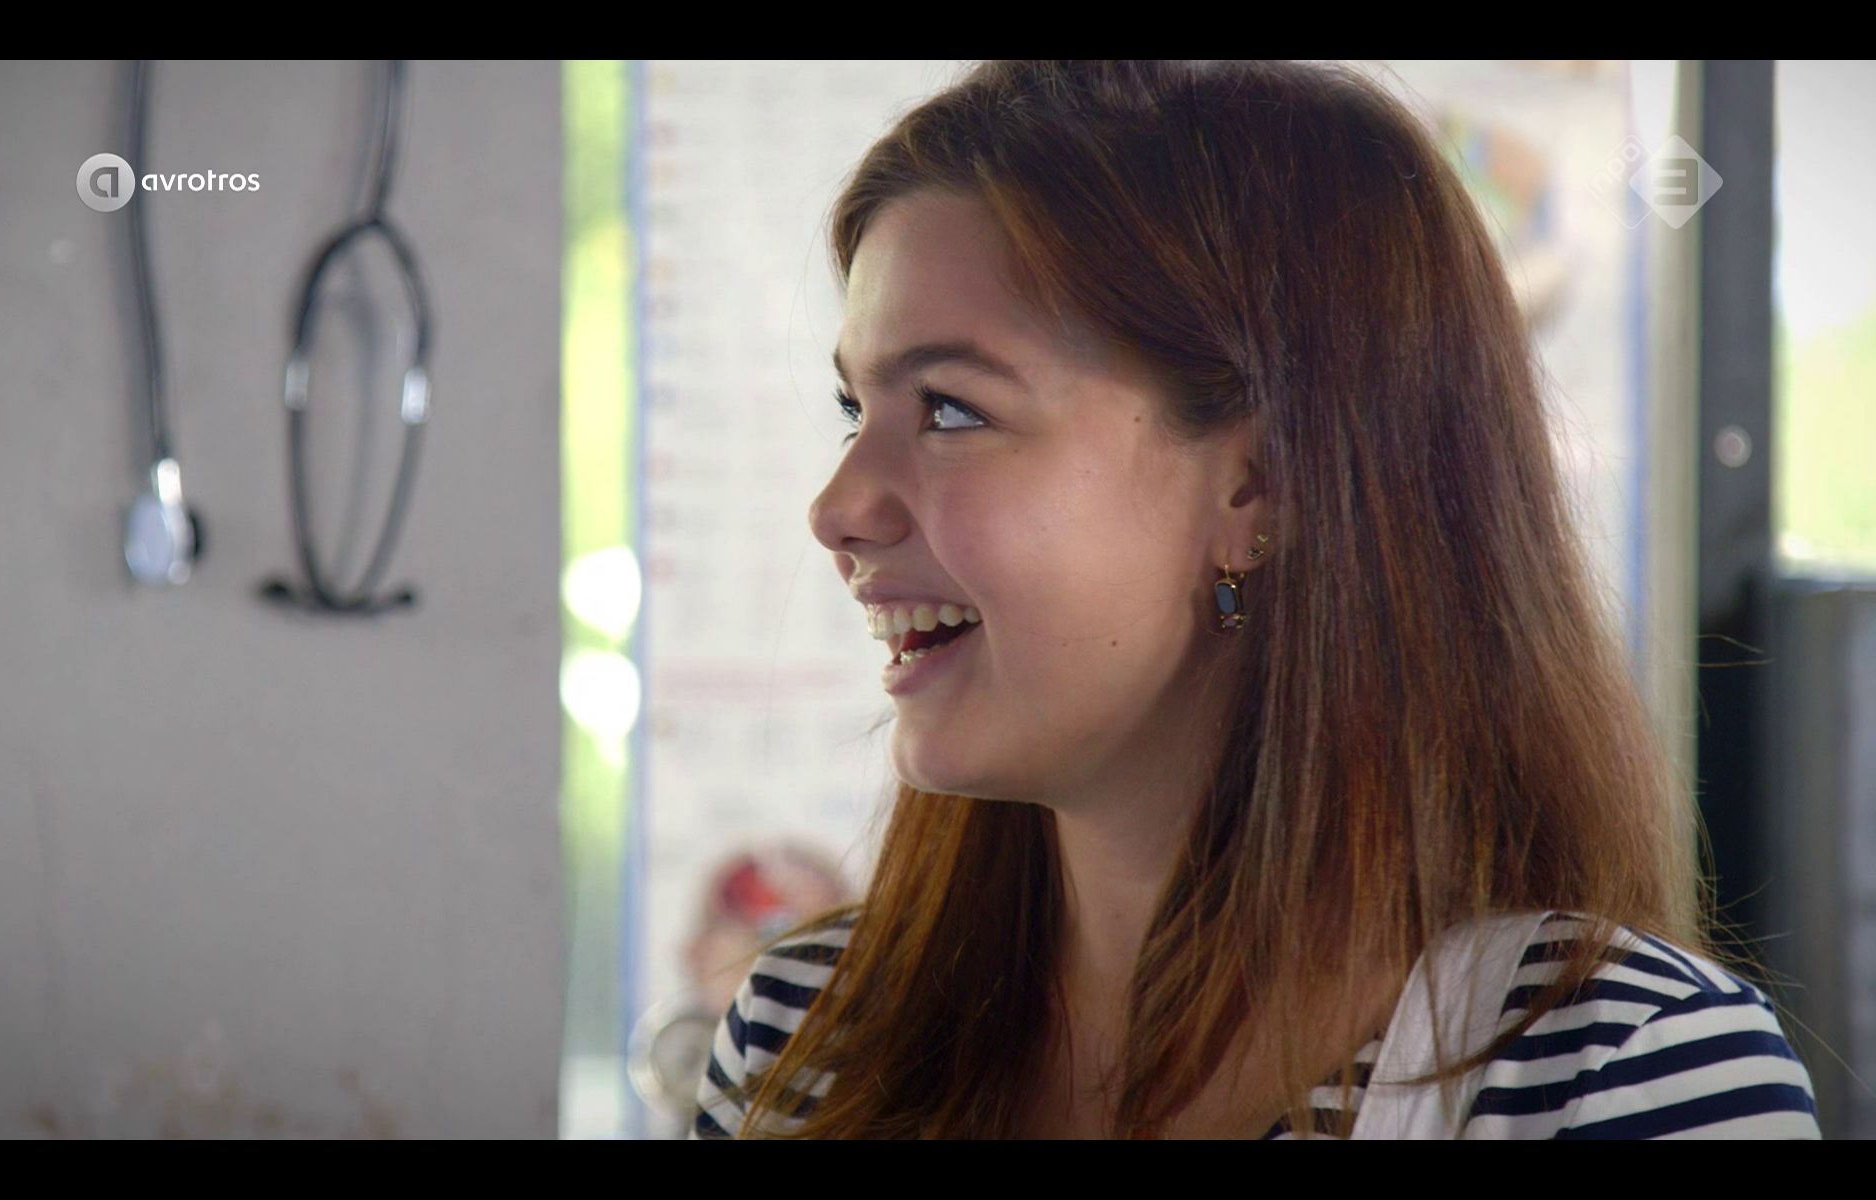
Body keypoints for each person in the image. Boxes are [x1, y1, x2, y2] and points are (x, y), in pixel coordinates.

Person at [690, 59, 1823, 1139]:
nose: (838, 508)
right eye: (855, 411)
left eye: (950, 410)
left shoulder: (1618, 1074)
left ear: (1259, 484)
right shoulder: (804, 1036)